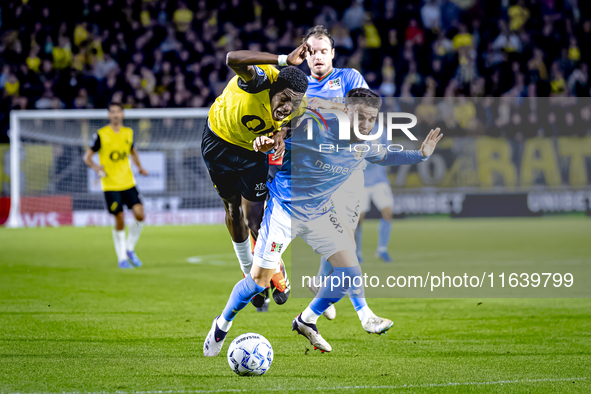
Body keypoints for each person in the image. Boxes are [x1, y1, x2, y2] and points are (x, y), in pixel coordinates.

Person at [203, 88, 443, 355]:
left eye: (371, 119)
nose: (365, 124)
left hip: (320, 215)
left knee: (350, 273)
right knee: (258, 282)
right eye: (360, 116)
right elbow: (282, 133)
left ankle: (306, 320)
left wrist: (421, 155)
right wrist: (271, 143)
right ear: (346, 111)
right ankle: (222, 324)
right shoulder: (315, 129)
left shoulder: (364, 145)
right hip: (284, 212)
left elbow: (386, 156)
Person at [201, 44, 311, 309]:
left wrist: (280, 135)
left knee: (256, 219)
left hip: (253, 152)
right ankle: (247, 269)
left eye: (293, 102)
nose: (287, 106)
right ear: (273, 88)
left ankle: (275, 265)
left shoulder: (298, 104)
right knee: (232, 210)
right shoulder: (259, 80)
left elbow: (293, 122)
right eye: (283, 98)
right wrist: (284, 59)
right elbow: (232, 58)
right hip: (220, 145)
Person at [301, 25, 369, 322]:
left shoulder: (349, 77)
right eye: (311, 52)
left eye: (323, 51)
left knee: (343, 239)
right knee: (344, 240)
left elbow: (364, 110)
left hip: (349, 167)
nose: (317, 57)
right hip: (318, 174)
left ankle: (319, 292)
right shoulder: (298, 85)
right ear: (304, 56)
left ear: (332, 54)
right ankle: (363, 313)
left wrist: (324, 105)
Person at [83, 102, 148, 269]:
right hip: (110, 185)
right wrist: (96, 167)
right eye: (112, 112)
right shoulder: (101, 135)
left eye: (118, 112)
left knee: (140, 214)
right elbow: (87, 157)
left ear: (123, 114)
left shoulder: (129, 133)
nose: (115, 115)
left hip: (128, 182)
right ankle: (122, 258)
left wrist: (140, 167)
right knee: (119, 218)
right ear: (109, 115)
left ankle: (129, 248)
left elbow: (132, 152)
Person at [356, 132, 396, 263]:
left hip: (379, 180)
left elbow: (388, 153)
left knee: (388, 212)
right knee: (358, 219)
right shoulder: (354, 128)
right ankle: (356, 253)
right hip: (360, 181)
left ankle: (382, 250)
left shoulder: (382, 130)